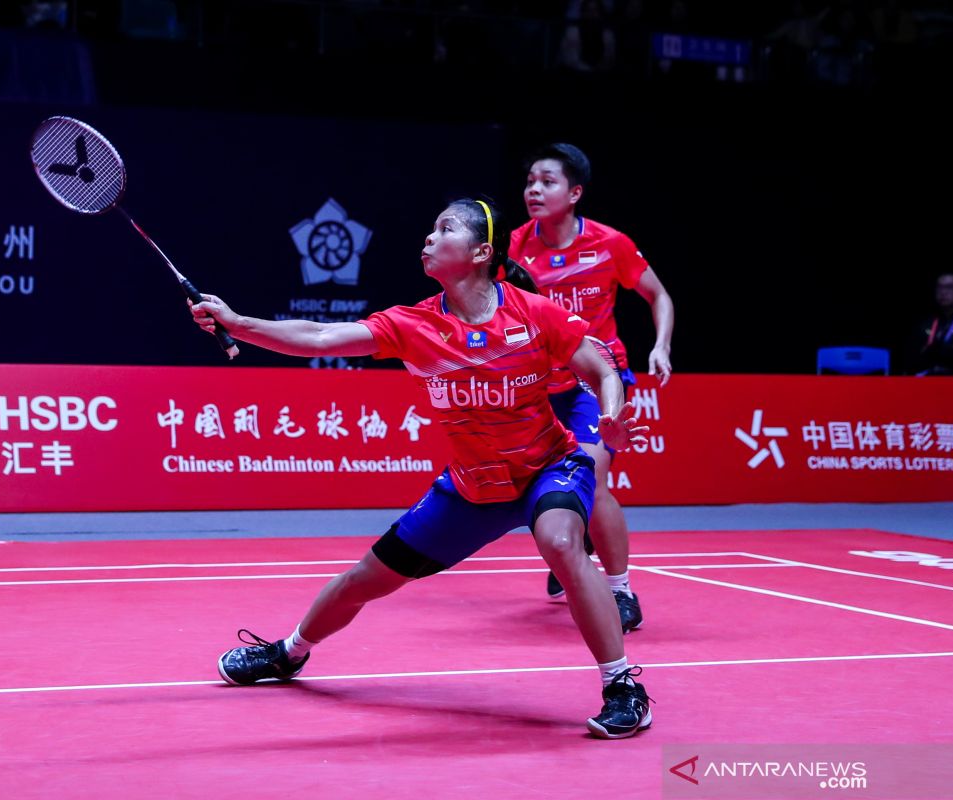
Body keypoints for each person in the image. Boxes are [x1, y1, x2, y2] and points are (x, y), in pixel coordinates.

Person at [189, 197, 654, 739]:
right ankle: (288, 653)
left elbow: (601, 368)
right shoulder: (414, 325)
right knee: (365, 580)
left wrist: (612, 417)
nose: (429, 238)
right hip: (473, 488)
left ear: (482, 251)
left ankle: (624, 686)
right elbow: (319, 336)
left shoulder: (533, 312)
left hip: (548, 466)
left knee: (560, 540)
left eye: (445, 228)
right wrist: (239, 323)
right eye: (431, 229)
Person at [510, 143, 674, 633]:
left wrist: (661, 345)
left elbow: (658, 294)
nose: (534, 190)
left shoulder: (609, 243)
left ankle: (621, 591)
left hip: (598, 379)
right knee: (543, 484)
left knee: (593, 477)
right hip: (539, 384)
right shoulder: (516, 246)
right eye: (530, 181)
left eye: (548, 181)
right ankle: (573, 546)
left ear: (574, 192)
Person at [909, 272, 953, 458]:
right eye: (940, 287)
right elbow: (914, 356)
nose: (944, 292)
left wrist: (937, 351)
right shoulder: (927, 322)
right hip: (930, 381)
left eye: (950, 287)